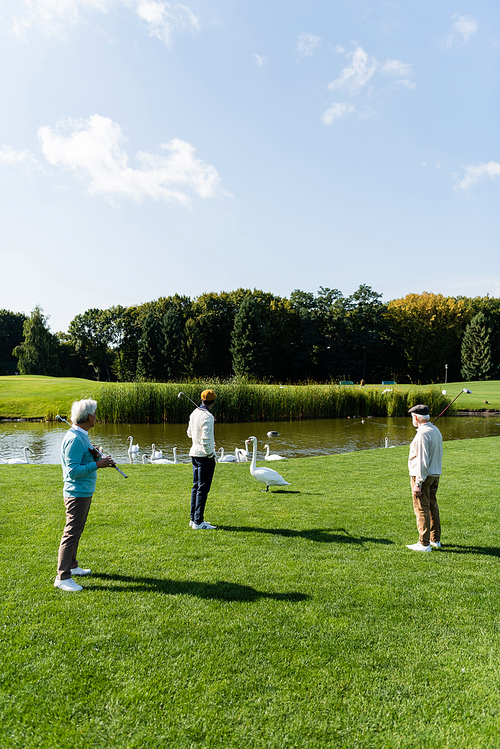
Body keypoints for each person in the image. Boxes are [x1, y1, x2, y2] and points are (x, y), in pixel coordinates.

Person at [54, 399, 116, 592]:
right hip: (76, 493)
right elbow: (72, 471)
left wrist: (96, 456)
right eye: (95, 414)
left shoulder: (82, 436)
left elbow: (82, 459)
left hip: (83, 492)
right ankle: (62, 577)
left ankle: (72, 566)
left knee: (77, 531)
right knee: (71, 534)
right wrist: (98, 464)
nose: (96, 417)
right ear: (89, 417)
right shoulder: (74, 439)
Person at [406, 404, 443, 552]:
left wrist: (418, 483)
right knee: (432, 507)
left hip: (423, 477)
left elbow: (422, 461)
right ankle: (435, 540)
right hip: (435, 475)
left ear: (416, 417)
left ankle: (424, 544)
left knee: (421, 509)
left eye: (412, 418)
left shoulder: (422, 434)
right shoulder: (435, 430)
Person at [187, 389, 217, 530]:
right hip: (204, 456)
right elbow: (205, 440)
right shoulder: (208, 417)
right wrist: (210, 454)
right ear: (212, 402)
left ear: (202, 400)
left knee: (196, 487)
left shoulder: (194, 413)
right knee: (202, 489)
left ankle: (194, 519)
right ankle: (198, 522)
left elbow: (189, 433)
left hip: (194, 454)